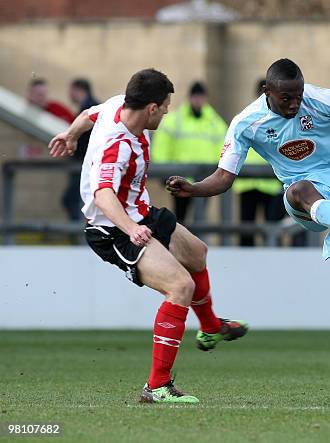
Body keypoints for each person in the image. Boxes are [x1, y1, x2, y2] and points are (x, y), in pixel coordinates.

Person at [166, 58, 330, 401]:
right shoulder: (247, 123)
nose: (294, 103)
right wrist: (194, 188)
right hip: (302, 196)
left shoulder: (319, 99)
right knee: (300, 187)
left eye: (298, 95)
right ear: (267, 92)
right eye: (286, 97)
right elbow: (224, 177)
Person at [48, 69, 248, 404]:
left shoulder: (115, 106)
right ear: (151, 108)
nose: (169, 112)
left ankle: (211, 326)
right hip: (113, 228)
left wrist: (70, 135)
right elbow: (103, 195)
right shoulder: (119, 145)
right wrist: (131, 228)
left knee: (197, 253)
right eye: (166, 106)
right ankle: (156, 387)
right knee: (180, 287)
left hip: (140, 212)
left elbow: (86, 115)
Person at [152, 81, 227, 223]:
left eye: (201, 97)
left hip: (205, 179)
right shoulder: (176, 119)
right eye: (195, 97)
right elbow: (162, 144)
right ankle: (180, 243)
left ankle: (195, 243)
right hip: (181, 178)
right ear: (190, 98)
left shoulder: (214, 122)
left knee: (200, 219)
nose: (198, 101)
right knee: (180, 218)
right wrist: (164, 171)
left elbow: (225, 147)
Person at [234, 79, 284, 246]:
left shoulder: (277, 117)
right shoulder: (248, 116)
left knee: (271, 227)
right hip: (248, 182)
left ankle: (272, 256)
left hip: (270, 183)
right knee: (247, 227)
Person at [61, 78, 100, 221]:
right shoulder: (91, 107)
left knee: (73, 200)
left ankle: (78, 235)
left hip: (87, 164)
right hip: (86, 163)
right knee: (75, 199)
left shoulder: (91, 109)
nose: (69, 94)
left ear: (79, 90)